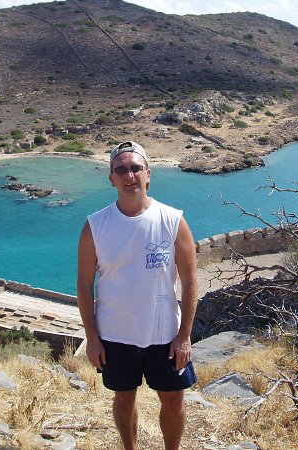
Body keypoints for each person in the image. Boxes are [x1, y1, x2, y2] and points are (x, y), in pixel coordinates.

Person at [77, 141, 198, 450]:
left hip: (165, 334)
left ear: (148, 174)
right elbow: (84, 285)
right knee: (124, 398)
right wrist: (92, 338)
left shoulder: (173, 220)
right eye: (121, 170)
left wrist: (184, 336)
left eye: (135, 168)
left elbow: (190, 282)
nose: (129, 175)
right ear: (111, 178)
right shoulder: (95, 226)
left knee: (173, 400)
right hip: (115, 335)